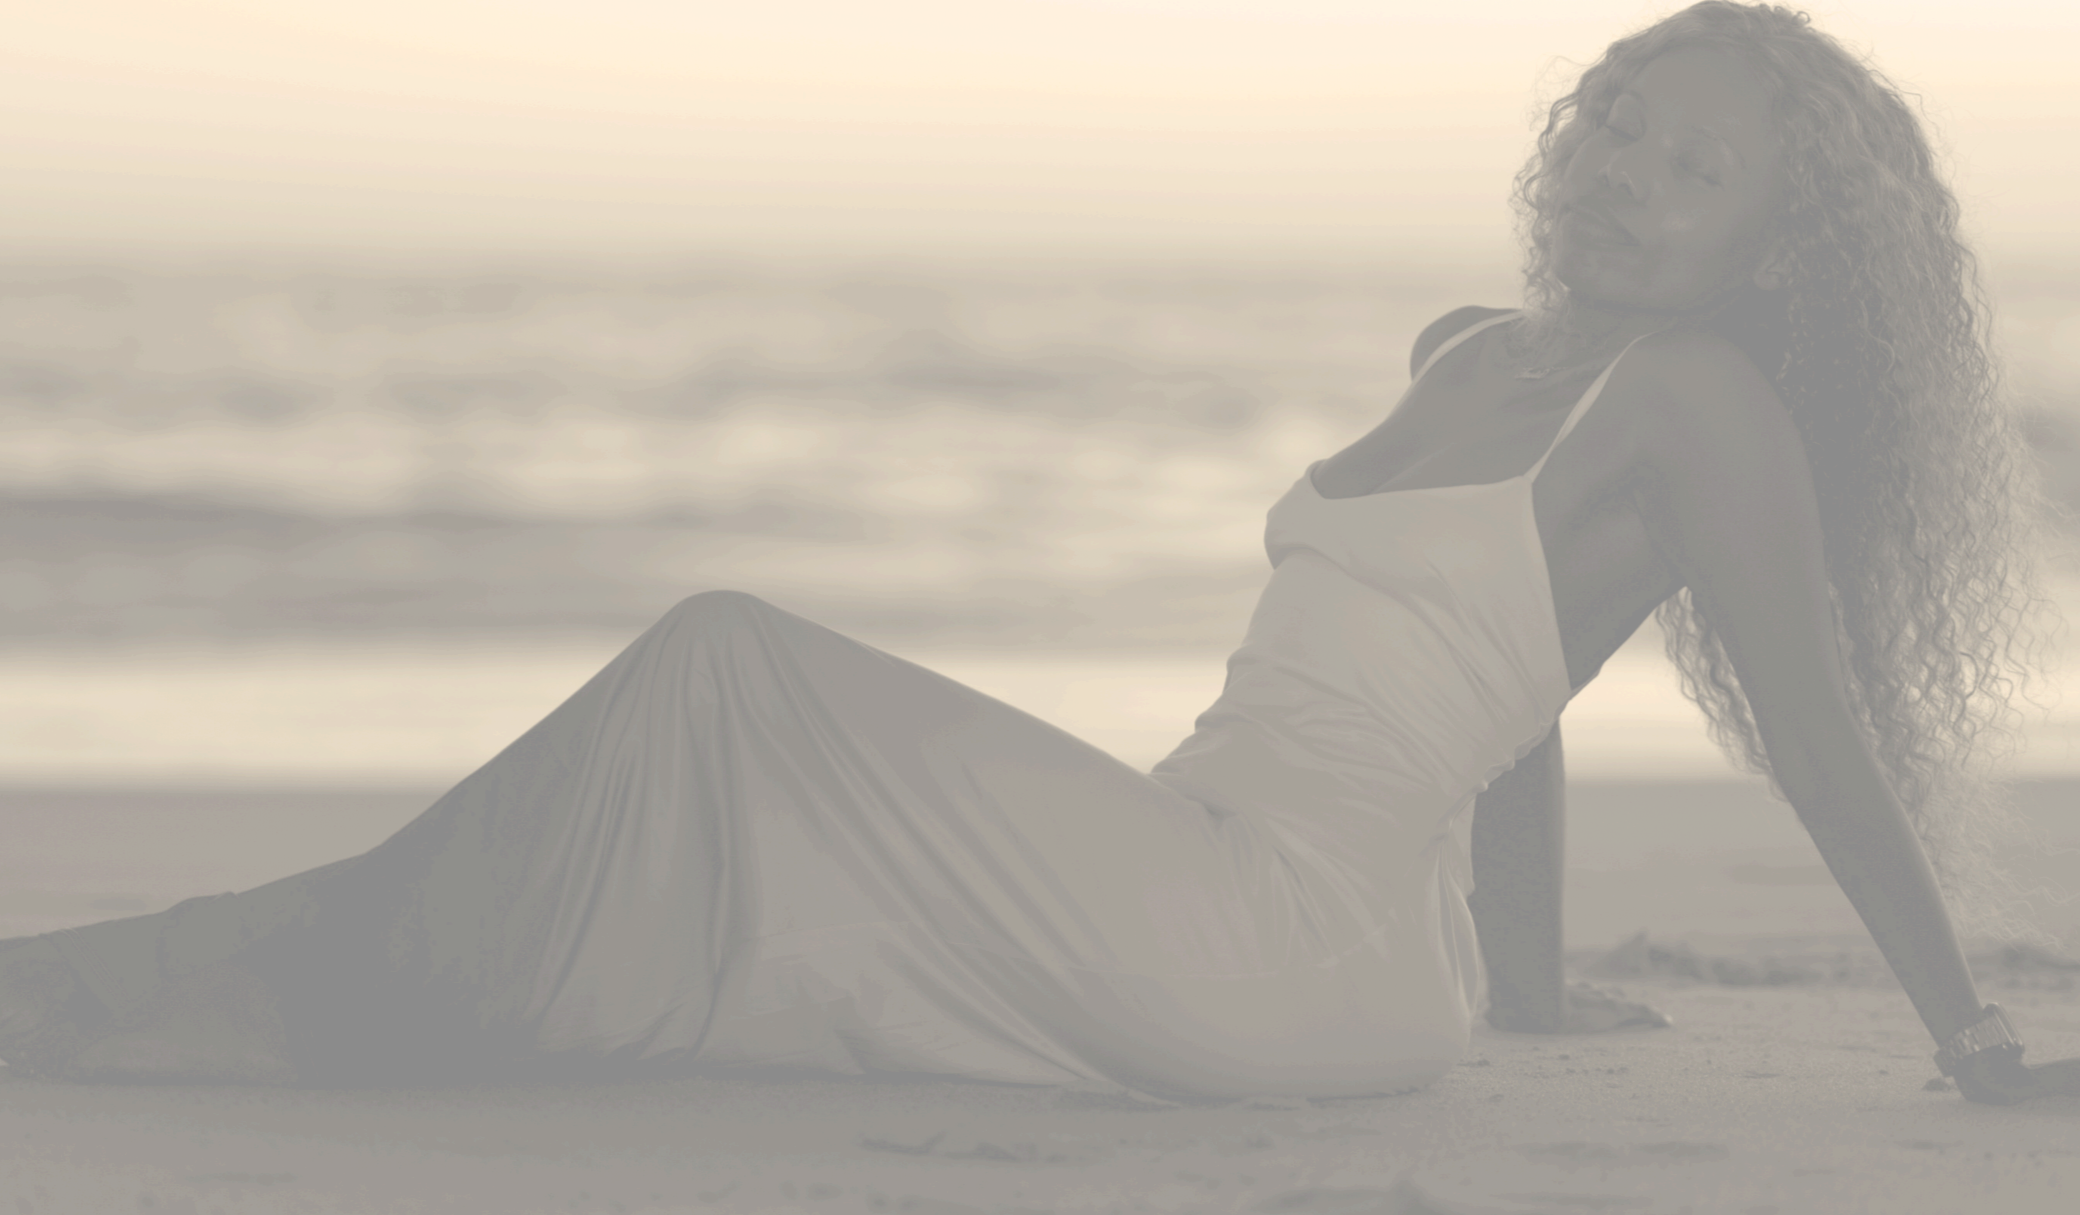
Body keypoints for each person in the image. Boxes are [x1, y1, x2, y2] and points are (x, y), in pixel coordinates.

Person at [2, 0, 2076, 1105]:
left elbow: (1808, 729)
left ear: (1767, 250)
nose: (1632, 178)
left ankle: (198, 986)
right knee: (698, 904)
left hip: (1287, 944)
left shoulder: (1694, 406)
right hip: (1239, 877)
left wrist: (1960, 1035)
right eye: (1622, 120)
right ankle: (200, 979)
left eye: (1696, 170)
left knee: (724, 671)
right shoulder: (1472, 352)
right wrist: (1520, 993)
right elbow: (1514, 691)